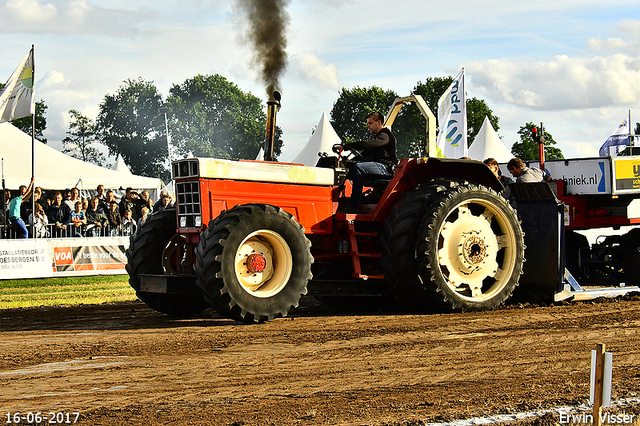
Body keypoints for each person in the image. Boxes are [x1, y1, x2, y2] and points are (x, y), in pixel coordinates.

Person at [342, 111, 397, 214]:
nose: (368, 126)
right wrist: (348, 162)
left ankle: (354, 205)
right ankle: (347, 201)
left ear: (379, 122)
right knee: (348, 169)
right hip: (376, 167)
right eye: (367, 123)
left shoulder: (385, 135)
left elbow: (368, 144)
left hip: (385, 168)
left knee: (359, 168)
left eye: (370, 123)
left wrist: (347, 146)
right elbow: (363, 154)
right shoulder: (376, 138)